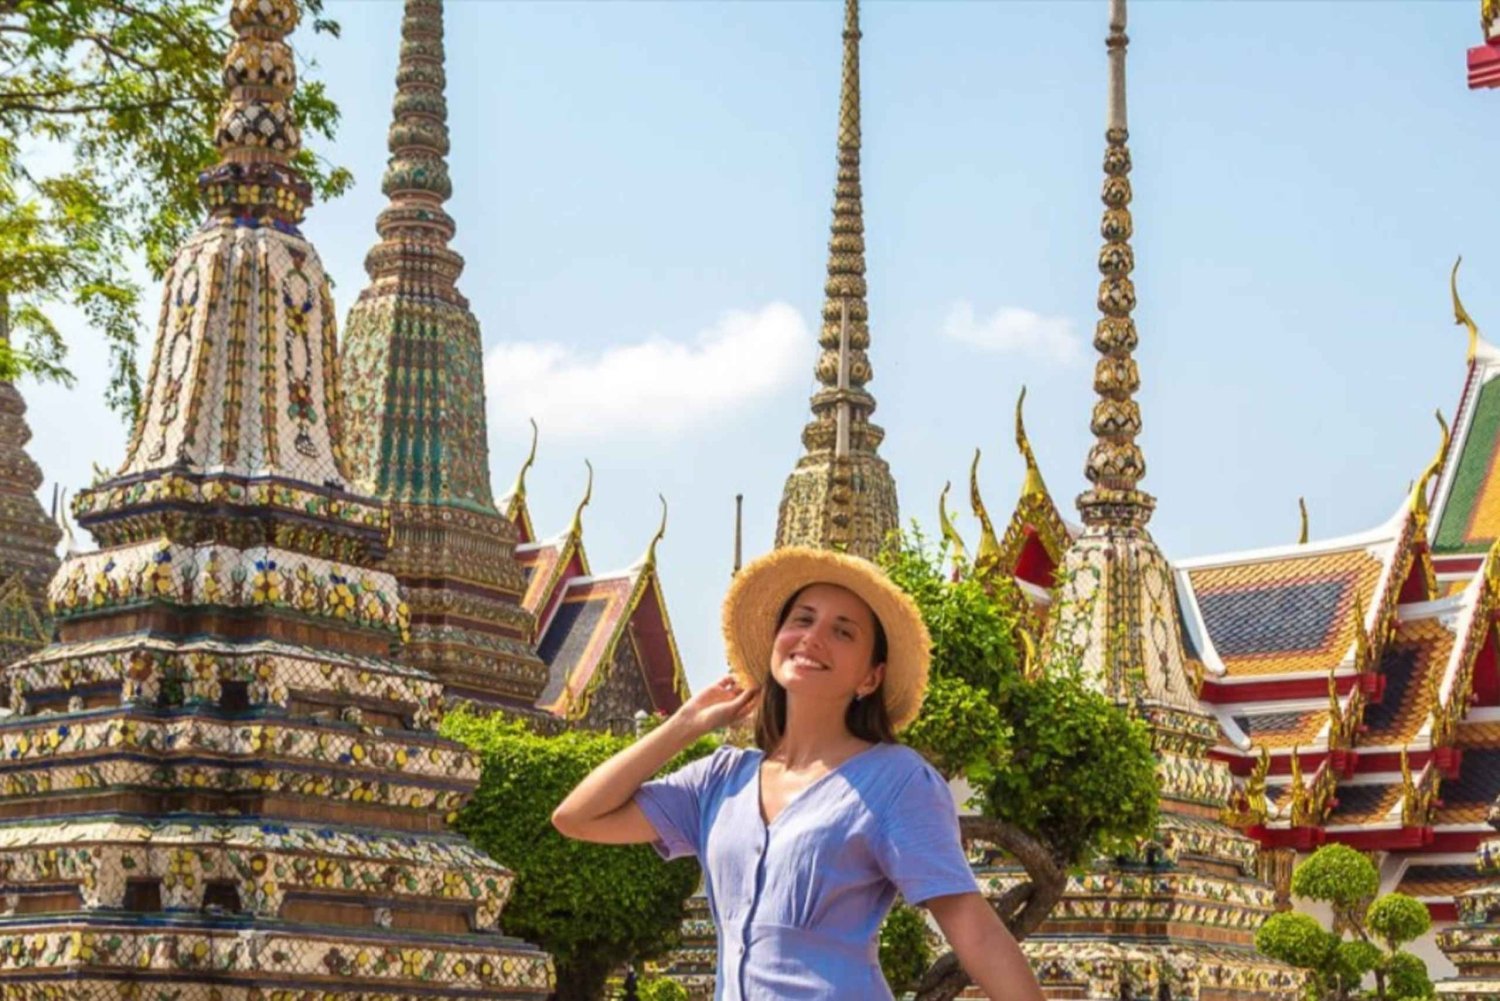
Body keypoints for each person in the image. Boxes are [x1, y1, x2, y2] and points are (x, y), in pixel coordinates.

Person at [552, 546, 1045, 1001]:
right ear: (775, 642)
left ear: (870, 677)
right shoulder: (720, 780)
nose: (813, 637)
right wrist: (685, 724)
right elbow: (577, 817)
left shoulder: (896, 781)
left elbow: (975, 931)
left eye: (843, 631)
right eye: (802, 619)